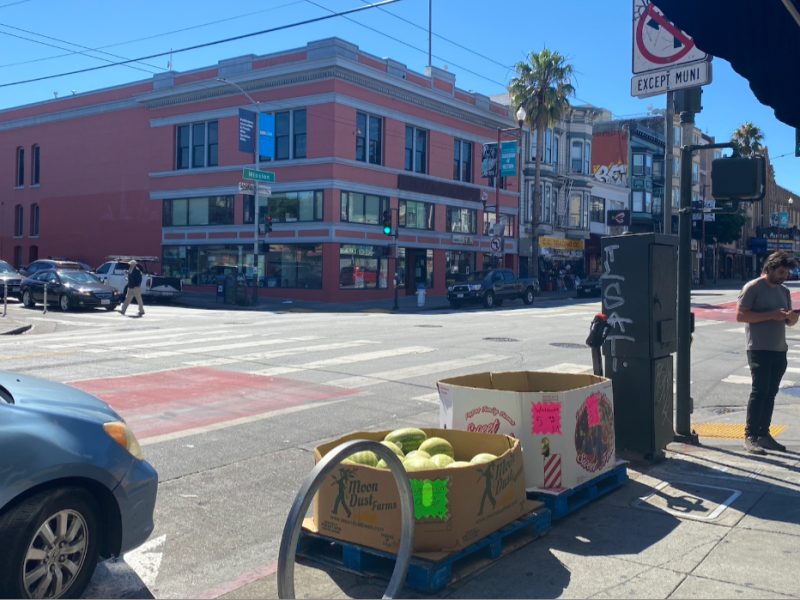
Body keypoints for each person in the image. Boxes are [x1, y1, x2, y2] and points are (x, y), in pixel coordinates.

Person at [736, 250, 797, 454]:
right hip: (759, 348)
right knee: (760, 391)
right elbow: (741, 316)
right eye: (781, 272)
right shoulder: (753, 287)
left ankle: (763, 434)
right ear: (769, 268)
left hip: (779, 348)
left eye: (786, 273)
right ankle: (750, 436)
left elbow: (788, 321)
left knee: (770, 393)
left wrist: (792, 317)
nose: (784, 277)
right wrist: (772, 315)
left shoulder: (784, 291)